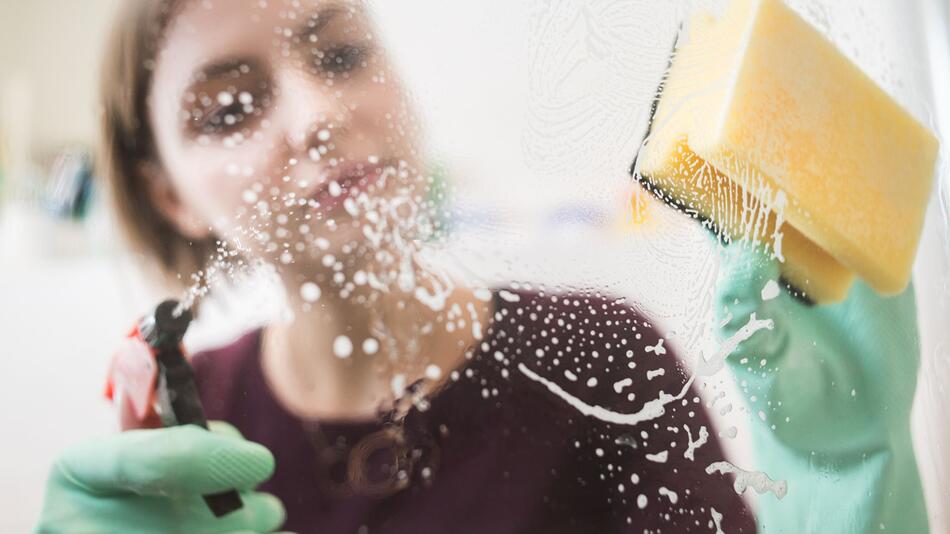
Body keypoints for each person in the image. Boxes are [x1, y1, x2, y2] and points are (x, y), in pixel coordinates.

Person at [35, 0, 927, 533]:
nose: (315, 114)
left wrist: (842, 487)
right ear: (169, 197)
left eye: (341, 54)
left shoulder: (601, 356)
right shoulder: (185, 434)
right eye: (230, 108)